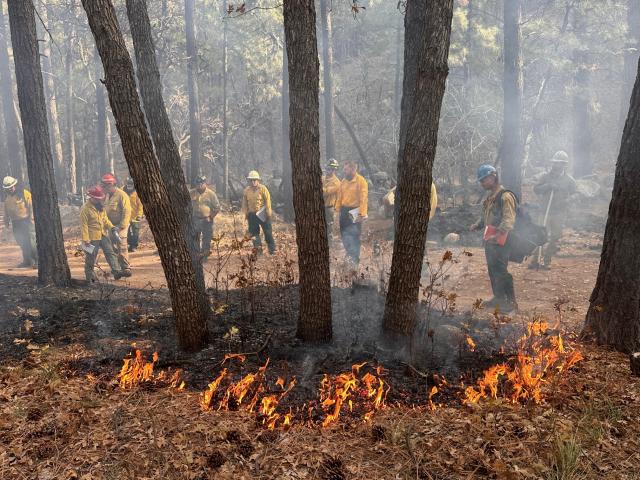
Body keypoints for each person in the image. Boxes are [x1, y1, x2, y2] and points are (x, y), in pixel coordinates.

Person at [470, 164, 518, 313]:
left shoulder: (505, 196)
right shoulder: (490, 196)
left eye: (484, 180)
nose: (482, 183)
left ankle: (511, 303)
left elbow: (508, 220)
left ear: (493, 177)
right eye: (481, 181)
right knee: (492, 269)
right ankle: (498, 297)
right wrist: (478, 225)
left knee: (501, 270)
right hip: (490, 238)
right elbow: (487, 216)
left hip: (502, 239)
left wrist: (498, 235)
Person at [528, 151, 577, 270]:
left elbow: (576, 194)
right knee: (541, 235)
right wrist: (548, 186)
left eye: (560, 163)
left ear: (564, 165)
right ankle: (535, 261)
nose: (556, 165)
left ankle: (547, 261)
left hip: (559, 213)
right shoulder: (545, 176)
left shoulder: (569, 180)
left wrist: (568, 200)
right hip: (545, 211)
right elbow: (536, 189)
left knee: (555, 236)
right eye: (555, 163)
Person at [80, 185, 123, 283]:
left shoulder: (100, 207)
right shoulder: (85, 209)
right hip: (91, 237)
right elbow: (84, 225)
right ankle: (90, 277)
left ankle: (117, 271)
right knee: (91, 257)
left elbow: (105, 219)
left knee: (110, 252)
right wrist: (86, 239)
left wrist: (112, 227)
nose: (99, 200)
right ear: (91, 197)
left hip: (103, 234)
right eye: (97, 198)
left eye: (100, 198)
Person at [335, 161, 368, 265]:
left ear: (354, 169)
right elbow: (339, 197)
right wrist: (337, 211)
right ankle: (349, 255)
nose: (344, 171)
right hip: (344, 212)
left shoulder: (361, 181)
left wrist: (361, 214)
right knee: (344, 235)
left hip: (355, 212)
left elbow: (363, 199)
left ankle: (354, 261)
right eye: (344, 169)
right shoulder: (343, 181)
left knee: (354, 236)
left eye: (346, 169)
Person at [2, 176, 37, 268]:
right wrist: (6, 222)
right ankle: (28, 261)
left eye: (12, 186)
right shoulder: (7, 199)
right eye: (8, 188)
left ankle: (38, 261)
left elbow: (32, 206)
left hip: (27, 221)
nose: (10, 189)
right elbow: (6, 212)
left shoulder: (25, 194)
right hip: (16, 223)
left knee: (32, 241)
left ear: (15, 185)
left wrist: (32, 219)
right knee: (22, 242)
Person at [101, 173, 132, 276]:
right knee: (111, 246)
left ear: (112, 185)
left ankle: (126, 267)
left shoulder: (122, 195)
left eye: (106, 185)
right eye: (103, 185)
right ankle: (117, 268)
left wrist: (121, 226)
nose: (104, 188)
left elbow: (126, 212)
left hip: (121, 224)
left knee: (121, 244)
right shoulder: (106, 196)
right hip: (111, 225)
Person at [242, 170, 275, 255]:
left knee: (268, 233)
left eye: (255, 180)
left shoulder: (263, 189)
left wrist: (268, 213)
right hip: (252, 215)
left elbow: (268, 201)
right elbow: (244, 203)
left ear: (258, 180)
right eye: (251, 180)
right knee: (254, 234)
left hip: (263, 214)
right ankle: (258, 251)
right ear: (249, 181)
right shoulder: (246, 190)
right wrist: (246, 214)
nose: (253, 182)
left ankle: (272, 250)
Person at [190, 175, 220, 259]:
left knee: (206, 239)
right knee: (195, 238)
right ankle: (196, 256)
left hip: (207, 220)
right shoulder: (191, 193)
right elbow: (186, 206)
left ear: (205, 183)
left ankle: (204, 257)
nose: (199, 185)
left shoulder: (211, 194)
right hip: (195, 219)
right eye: (198, 183)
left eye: (201, 183)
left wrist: (211, 217)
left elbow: (217, 207)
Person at [322, 159, 341, 242]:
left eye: (332, 169)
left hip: (329, 208)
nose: (329, 170)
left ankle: (330, 246)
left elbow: (325, 192)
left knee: (328, 227)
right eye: (328, 168)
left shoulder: (337, 182)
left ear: (334, 170)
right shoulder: (322, 178)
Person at [123, 178, 143, 253]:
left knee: (135, 231)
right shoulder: (122, 191)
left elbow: (140, 205)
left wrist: (139, 215)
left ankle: (134, 245)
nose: (129, 187)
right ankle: (130, 244)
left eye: (131, 185)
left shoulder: (137, 193)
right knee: (126, 232)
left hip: (135, 216)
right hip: (125, 216)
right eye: (128, 185)